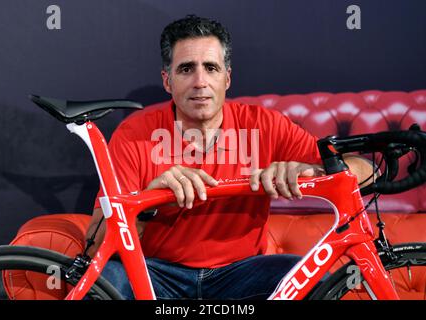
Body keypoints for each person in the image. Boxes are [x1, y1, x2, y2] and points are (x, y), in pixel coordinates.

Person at [86, 15, 374, 299]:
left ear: (227, 78)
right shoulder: (133, 133)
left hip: (242, 273)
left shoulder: (266, 125)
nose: (200, 82)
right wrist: (148, 204)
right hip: (158, 273)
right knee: (105, 281)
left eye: (211, 68)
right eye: (186, 69)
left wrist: (310, 169)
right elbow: (95, 246)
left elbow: (366, 170)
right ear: (167, 80)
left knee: (315, 281)